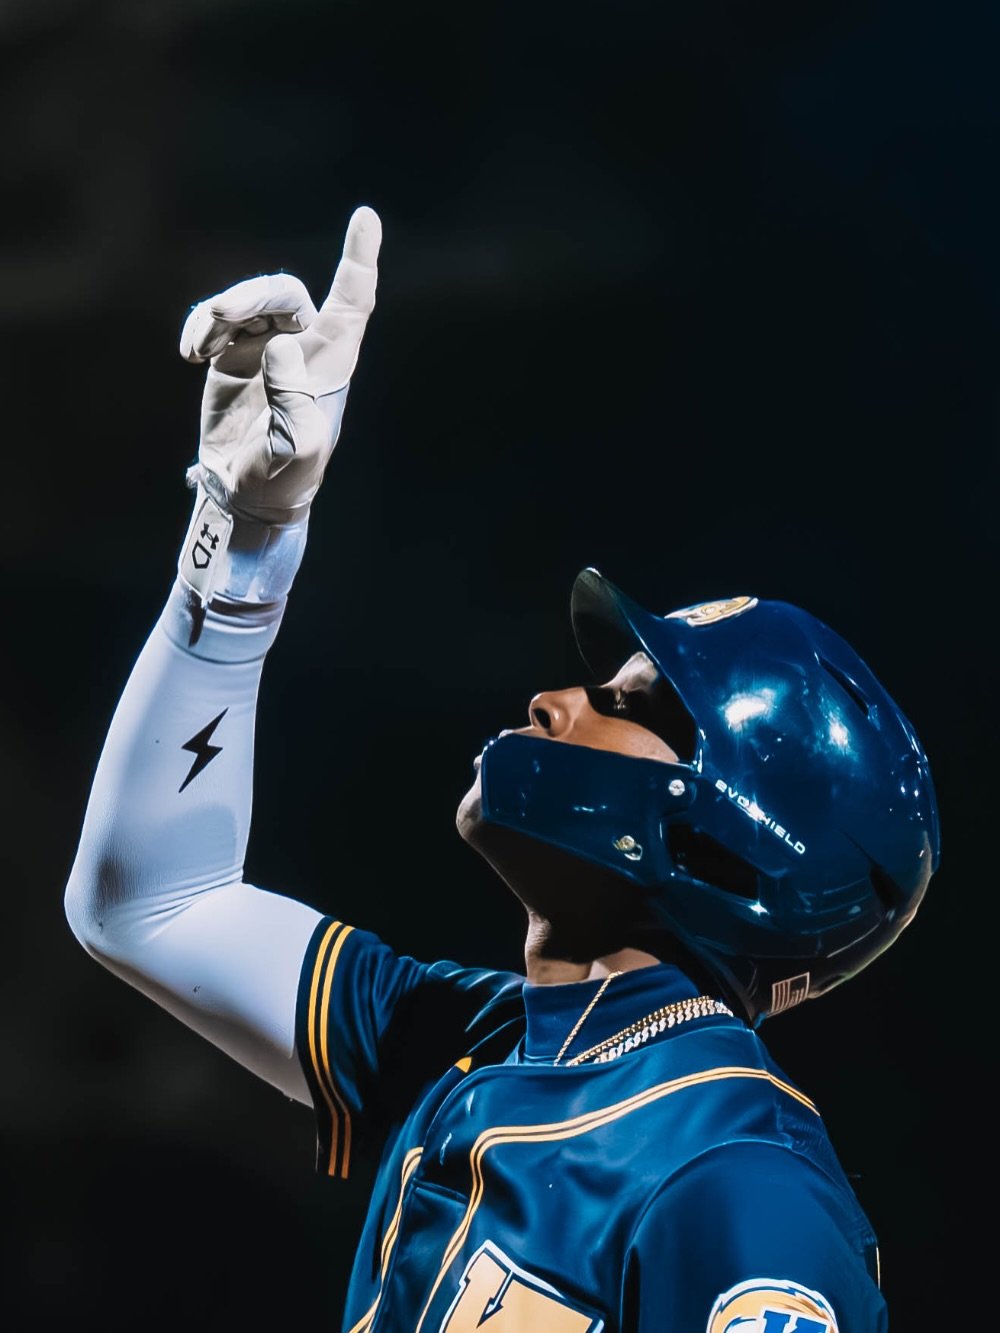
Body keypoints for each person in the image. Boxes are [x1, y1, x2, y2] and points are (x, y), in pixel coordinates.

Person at [64, 204, 940, 1333]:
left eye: (633, 706)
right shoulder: (483, 1039)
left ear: (732, 833)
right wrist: (242, 539)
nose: (555, 702)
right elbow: (145, 903)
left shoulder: (742, 1184)